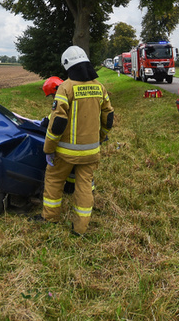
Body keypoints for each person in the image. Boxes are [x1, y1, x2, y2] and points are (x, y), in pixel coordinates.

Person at [39, 45, 113, 236]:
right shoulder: (100, 88)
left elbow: (57, 124)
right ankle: (80, 229)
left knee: (54, 180)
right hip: (91, 152)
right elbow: (108, 118)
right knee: (84, 187)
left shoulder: (66, 88)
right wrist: (101, 137)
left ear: (68, 65)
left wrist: (49, 148)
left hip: (65, 153)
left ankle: (50, 218)